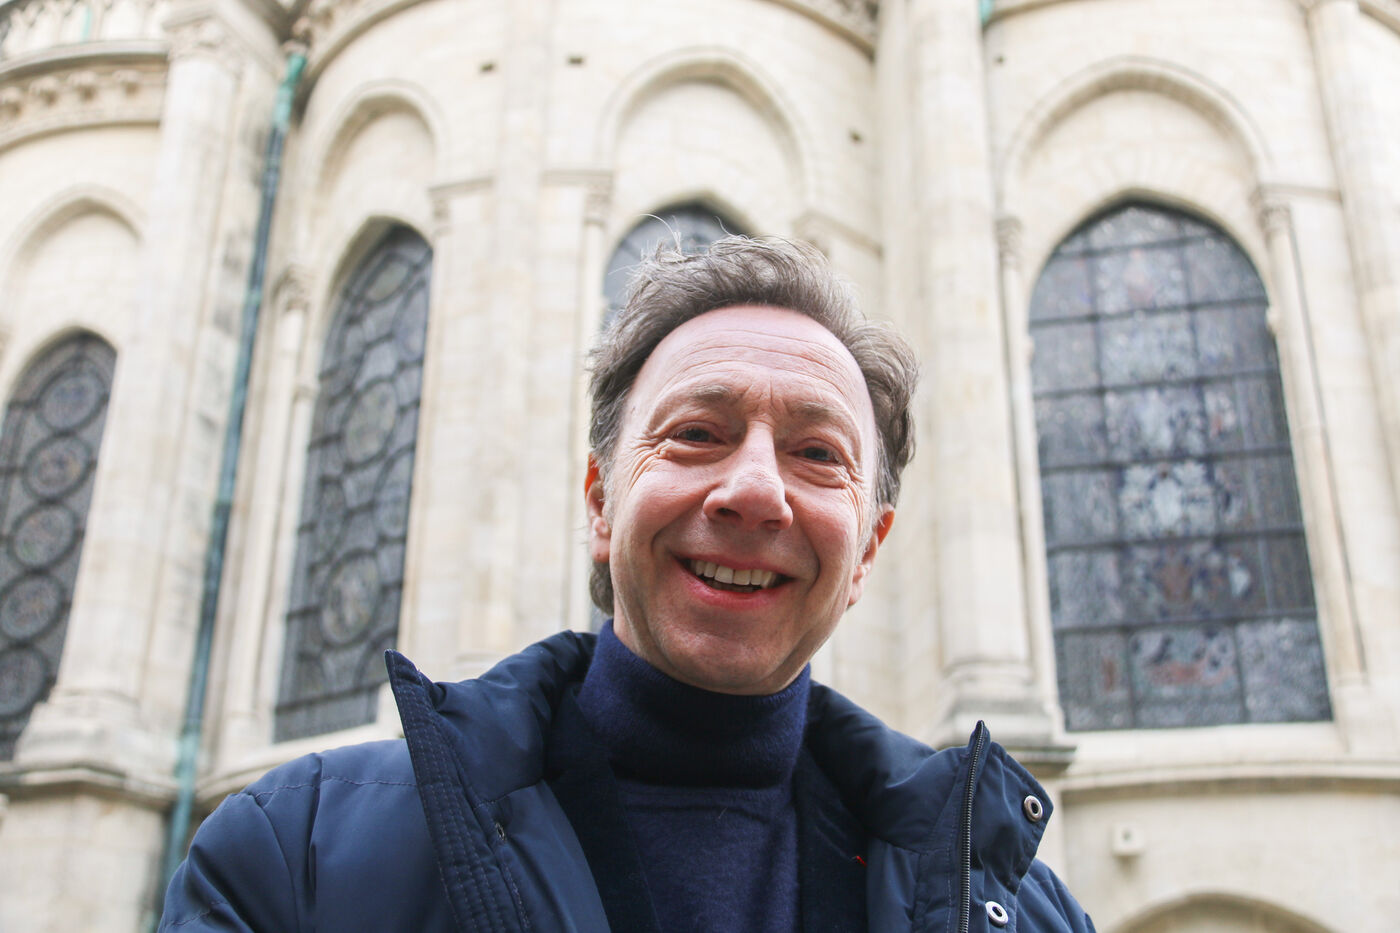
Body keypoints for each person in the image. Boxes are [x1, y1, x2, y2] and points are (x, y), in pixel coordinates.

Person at [159, 237, 1094, 931]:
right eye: (697, 433)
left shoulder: (1028, 915)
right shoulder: (291, 854)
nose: (755, 491)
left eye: (817, 453)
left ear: (869, 552)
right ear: (601, 502)